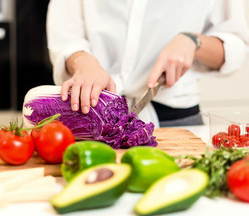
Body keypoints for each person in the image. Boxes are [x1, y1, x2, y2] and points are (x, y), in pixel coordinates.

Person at [46, 0, 249, 127]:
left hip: (176, 121)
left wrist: (193, 41)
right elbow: (65, 35)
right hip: (89, 113)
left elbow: (235, 45)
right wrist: (82, 60)